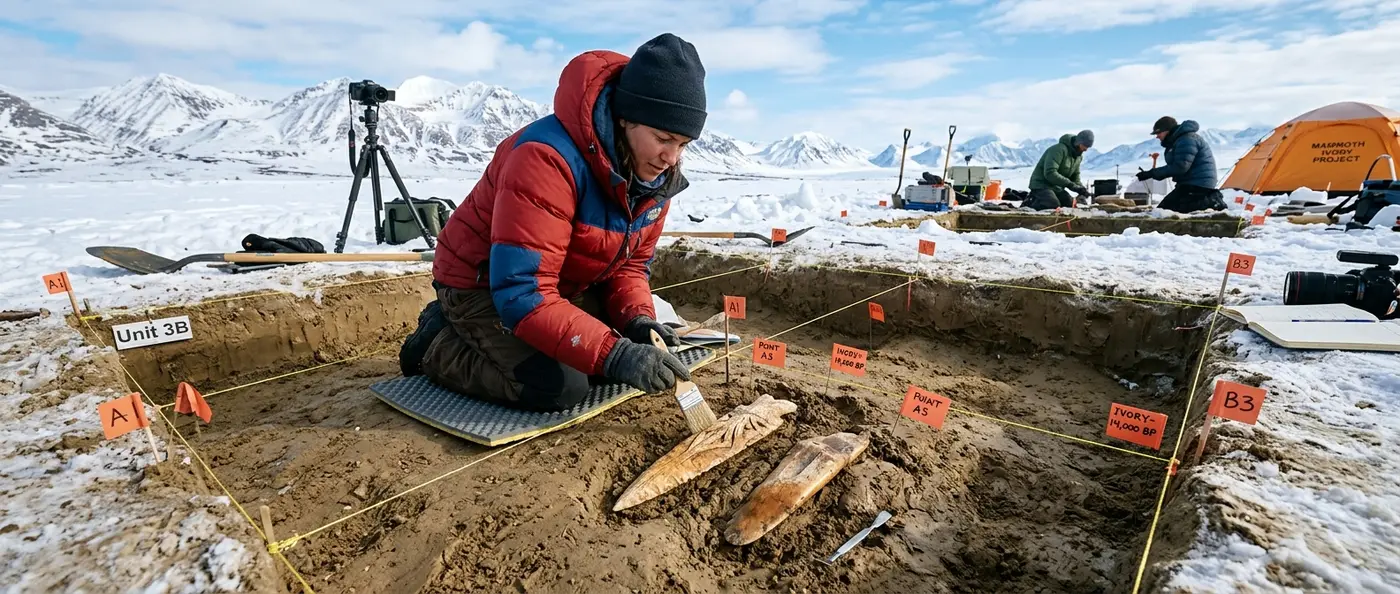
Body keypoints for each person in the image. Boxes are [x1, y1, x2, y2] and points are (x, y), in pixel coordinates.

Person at [397, 33, 707, 412]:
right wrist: (615, 354)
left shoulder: (653, 180)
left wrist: (638, 321)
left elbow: (629, 266)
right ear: (626, 118)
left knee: (614, 351)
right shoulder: (546, 160)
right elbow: (523, 292)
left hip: (558, 282)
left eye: (684, 144)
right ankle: (436, 343)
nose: (671, 158)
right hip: (484, 286)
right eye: (664, 138)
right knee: (559, 386)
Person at [1137, 116, 1226, 212]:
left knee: (1164, 212)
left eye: (1158, 133)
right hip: (1191, 185)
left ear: (1168, 130)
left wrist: (1152, 173)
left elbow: (1180, 167)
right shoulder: (1180, 140)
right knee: (1165, 211)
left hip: (1197, 186)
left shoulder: (1187, 140)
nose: (1157, 136)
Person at [1025, 130, 1094, 210]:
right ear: (1078, 142)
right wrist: (1071, 185)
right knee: (1052, 204)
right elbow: (1050, 173)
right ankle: (1029, 205)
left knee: (1069, 204)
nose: (1086, 149)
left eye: (1088, 147)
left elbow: (1075, 177)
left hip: (1057, 187)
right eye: (1084, 145)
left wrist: (1081, 189)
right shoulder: (1058, 150)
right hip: (1041, 185)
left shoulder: (1078, 157)